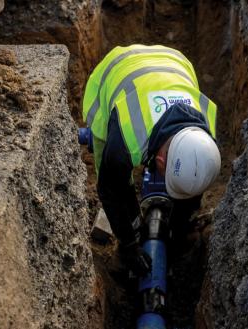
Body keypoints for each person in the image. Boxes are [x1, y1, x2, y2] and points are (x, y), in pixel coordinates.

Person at [82, 44, 221, 276]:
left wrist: (178, 229)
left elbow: (195, 183)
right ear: (160, 160)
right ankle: (130, 227)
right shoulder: (125, 141)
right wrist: (129, 245)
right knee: (111, 176)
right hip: (115, 69)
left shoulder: (205, 143)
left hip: (174, 60)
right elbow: (110, 190)